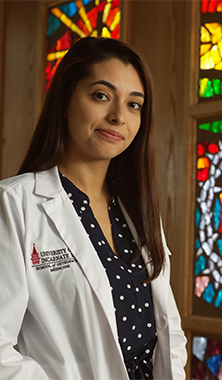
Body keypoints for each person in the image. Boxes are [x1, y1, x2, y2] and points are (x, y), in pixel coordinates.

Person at [0, 37, 187, 380]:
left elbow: (167, 329)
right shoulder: (15, 204)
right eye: (101, 96)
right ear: (65, 101)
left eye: (134, 105)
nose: (118, 116)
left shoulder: (138, 210)